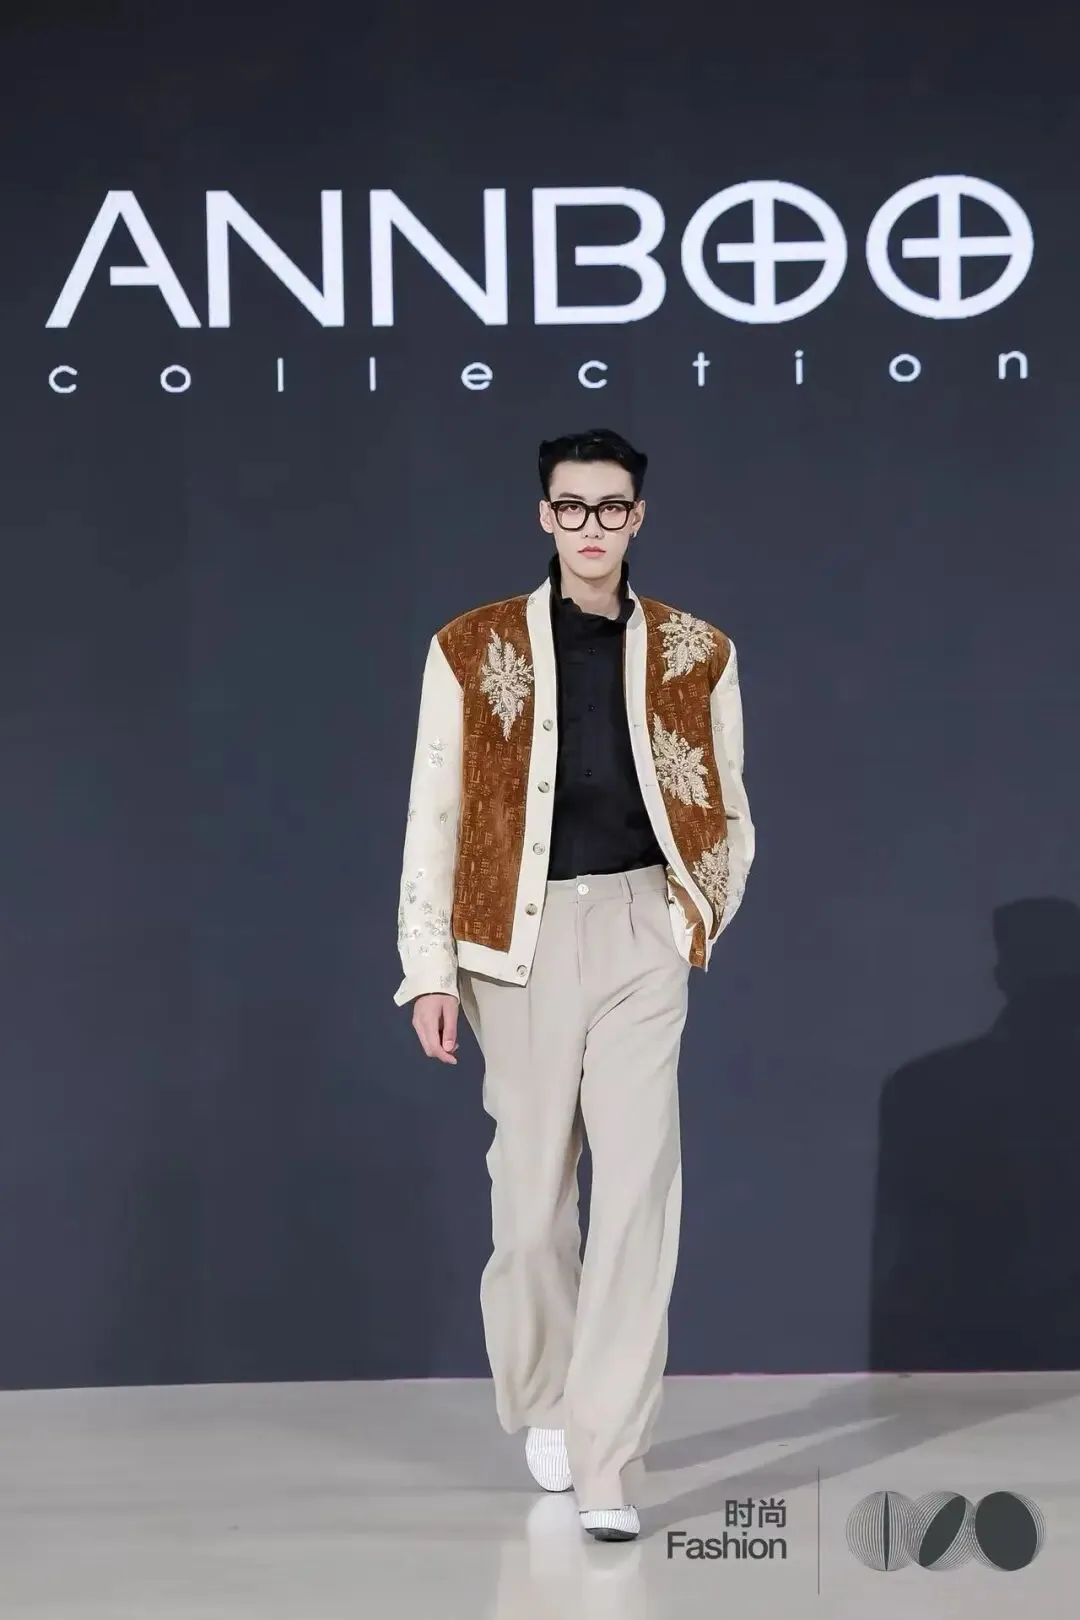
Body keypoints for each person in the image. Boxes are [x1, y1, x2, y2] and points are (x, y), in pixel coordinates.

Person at [394, 427, 754, 1541]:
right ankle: (547, 1394)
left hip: (643, 932)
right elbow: (436, 814)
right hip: (518, 944)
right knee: (531, 1209)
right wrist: (427, 967)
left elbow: (728, 804)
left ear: (637, 517)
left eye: (610, 507)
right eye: (571, 506)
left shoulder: (697, 650)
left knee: (639, 1195)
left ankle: (608, 1458)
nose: (591, 526)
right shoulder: (471, 646)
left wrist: (695, 916)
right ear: (544, 515)